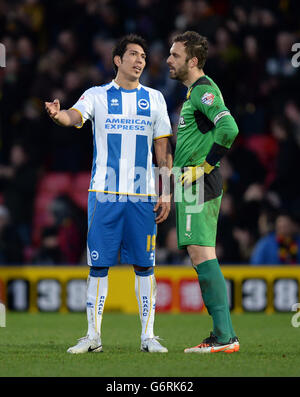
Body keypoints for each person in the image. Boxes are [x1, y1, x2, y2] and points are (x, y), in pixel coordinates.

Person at [45, 34, 173, 354]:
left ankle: (148, 337)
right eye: (133, 54)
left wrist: (166, 192)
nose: (140, 60)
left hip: (142, 196)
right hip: (104, 193)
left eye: (143, 55)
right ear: (117, 60)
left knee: (145, 265)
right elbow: (74, 116)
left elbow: (163, 150)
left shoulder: (155, 98)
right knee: (98, 265)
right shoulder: (97, 96)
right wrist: (59, 116)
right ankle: (93, 337)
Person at [167, 31, 239, 353]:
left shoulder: (204, 92)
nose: (168, 60)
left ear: (192, 61)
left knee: (202, 255)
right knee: (200, 255)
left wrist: (204, 166)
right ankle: (223, 335)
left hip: (198, 183)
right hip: (191, 182)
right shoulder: (194, 93)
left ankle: (224, 337)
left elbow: (229, 128)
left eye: (175, 55)